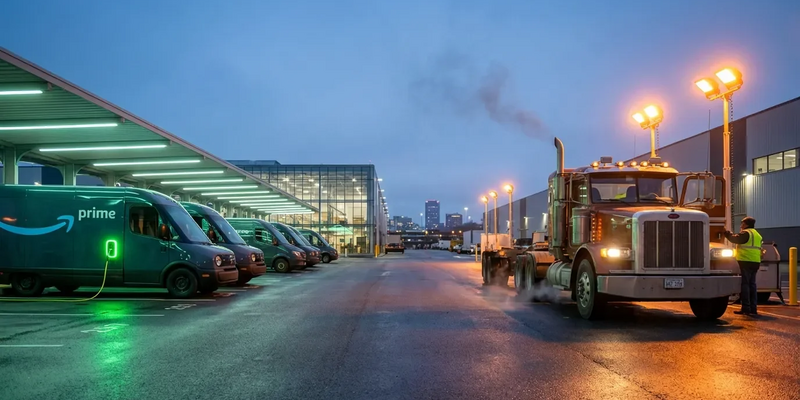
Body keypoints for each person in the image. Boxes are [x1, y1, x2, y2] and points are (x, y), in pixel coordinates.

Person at [724, 217, 762, 316]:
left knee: (745, 285)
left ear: (746, 224)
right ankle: (753, 308)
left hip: (745, 261)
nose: (741, 225)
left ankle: (746, 308)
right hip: (755, 261)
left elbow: (735, 239)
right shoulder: (757, 235)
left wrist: (727, 233)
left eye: (742, 223)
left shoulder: (746, 233)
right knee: (752, 285)